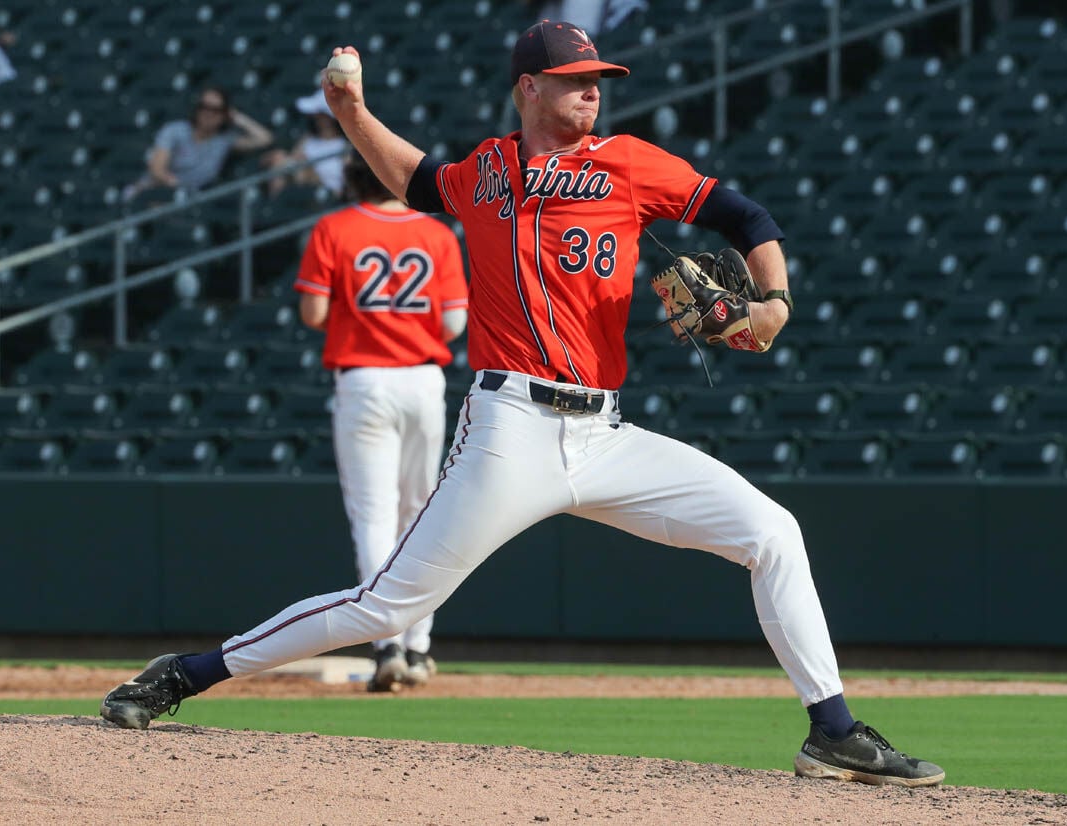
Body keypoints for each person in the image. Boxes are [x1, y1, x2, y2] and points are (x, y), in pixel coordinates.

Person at [101, 20, 945, 788]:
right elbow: (419, 179)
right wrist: (353, 110)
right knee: (390, 605)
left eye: (597, 76)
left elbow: (743, 213)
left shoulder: (628, 161)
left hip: (606, 432)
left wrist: (773, 303)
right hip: (511, 427)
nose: (593, 88)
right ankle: (185, 672)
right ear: (527, 89)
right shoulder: (488, 172)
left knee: (773, 533)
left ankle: (830, 731)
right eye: (575, 77)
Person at [294, 151, 468, 692]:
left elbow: (314, 314)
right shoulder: (437, 233)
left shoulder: (334, 227)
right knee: (421, 513)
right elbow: (453, 323)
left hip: (364, 379)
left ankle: (385, 642)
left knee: (374, 517)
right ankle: (417, 648)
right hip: (421, 379)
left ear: (352, 176)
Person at [122, 85, 274, 202]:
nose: (208, 113)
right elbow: (157, 169)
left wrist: (237, 117)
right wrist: (176, 186)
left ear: (224, 115)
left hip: (189, 201)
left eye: (215, 110)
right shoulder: (176, 130)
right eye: (204, 107)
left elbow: (265, 139)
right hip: (155, 192)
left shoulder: (224, 141)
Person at [263, 89, 350, 198]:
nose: (314, 117)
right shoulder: (307, 139)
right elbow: (291, 166)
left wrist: (310, 172)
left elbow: (344, 188)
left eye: (318, 114)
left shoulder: (345, 149)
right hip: (297, 196)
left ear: (327, 119)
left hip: (325, 202)